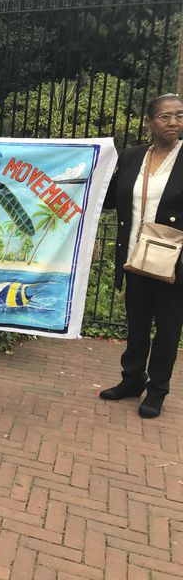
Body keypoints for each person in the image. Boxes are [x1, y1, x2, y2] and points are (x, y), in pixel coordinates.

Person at [100, 92, 183, 418]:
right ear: (150, 122)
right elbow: (109, 199)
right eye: (165, 116)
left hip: (173, 262)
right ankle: (132, 379)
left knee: (167, 330)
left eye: (178, 115)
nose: (173, 122)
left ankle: (157, 390)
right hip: (134, 257)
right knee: (136, 325)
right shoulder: (133, 156)